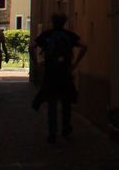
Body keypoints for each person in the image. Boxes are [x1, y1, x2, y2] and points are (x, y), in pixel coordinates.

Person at [30, 10, 87, 142]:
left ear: (53, 22)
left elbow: (31, 47)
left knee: (52, 104)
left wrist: (36, 64)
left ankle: (52, 132)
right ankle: (66, 128)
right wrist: (76, 63)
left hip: (50, 74)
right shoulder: (69, 35)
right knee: (66, 102)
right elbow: (84, 45)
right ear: (64, 22)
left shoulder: (47, 35)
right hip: (65, 74)